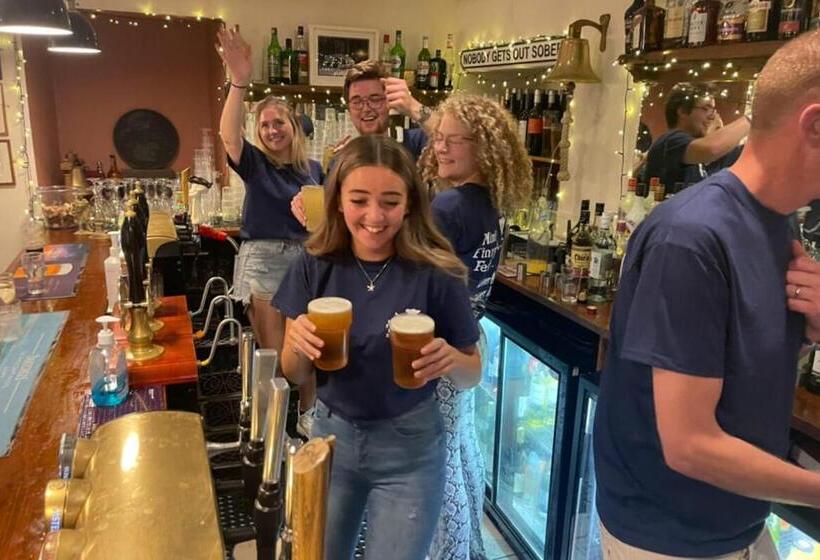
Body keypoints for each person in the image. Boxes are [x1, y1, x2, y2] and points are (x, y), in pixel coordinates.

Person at [594, 31, 820, 559]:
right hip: (668, 536)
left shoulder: (779, 222)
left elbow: (744, 368)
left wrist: (809, 334)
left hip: (735, 517)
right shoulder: (691, 237)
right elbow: (690, 446)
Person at [274, 135, 482, 560]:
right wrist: (295, 344)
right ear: (337, 201)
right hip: (331, 439)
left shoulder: (436, 271)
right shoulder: (314, 264)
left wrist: (451, 360)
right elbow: (295, 374)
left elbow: (472, 373)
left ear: (410, 205)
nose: (374, 216)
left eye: (390, 202)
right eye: (359, 200)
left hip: (411, 448)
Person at [418, 94, 533, 560]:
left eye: (453, 140)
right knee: (461, 448)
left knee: (437, 464)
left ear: (483, 147)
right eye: (438, 138)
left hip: (439, 346)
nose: (440, 148)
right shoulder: (491, 203)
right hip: (469, 337)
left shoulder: (449, 206)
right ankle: (472, 549)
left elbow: (416, 280)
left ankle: (451, 553)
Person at [216, 26, 323, 420]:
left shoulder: (315, 169)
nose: (272, 130)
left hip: (307, 262)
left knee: (310, 350)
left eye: (279, 122)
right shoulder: (255, 163)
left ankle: (309, 420)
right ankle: (273, 430)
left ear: (294, 126)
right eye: (264, 125)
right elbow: (229, 136)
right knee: (277, 356)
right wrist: (239, 82)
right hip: (263, 260)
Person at [642, 83, 750, 195]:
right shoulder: (670, 141)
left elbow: (742, 152)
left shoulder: (704, 155)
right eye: (706, 109)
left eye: (713, 111)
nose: (712, 116)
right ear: (682, 111)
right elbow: (712, 149)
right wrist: (753, 117)